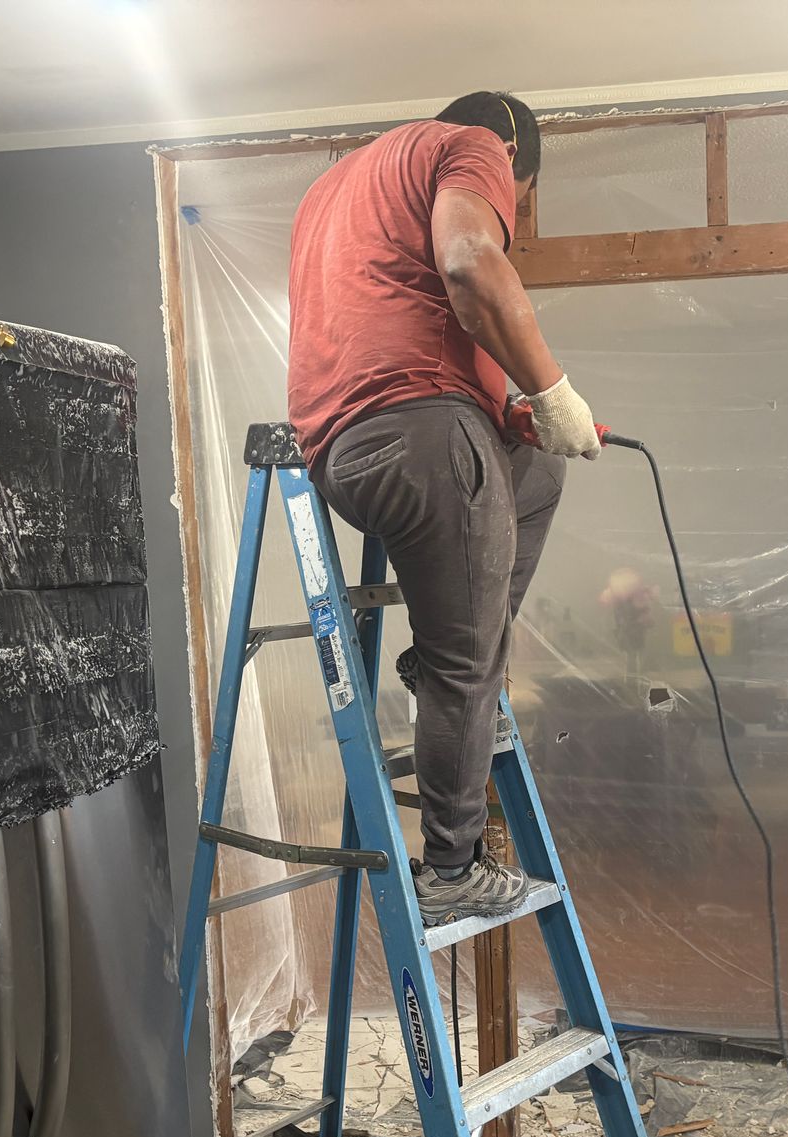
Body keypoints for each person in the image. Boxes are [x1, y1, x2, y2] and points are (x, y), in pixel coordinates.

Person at [287, 91, 603, 926]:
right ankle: (452, 869)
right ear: (510, 154)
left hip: (343, 451)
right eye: (518, 200)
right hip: (423, 436)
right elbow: (468, 263)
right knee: (467, 667)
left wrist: (510, 411)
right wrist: (551, 387)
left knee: (535, 469)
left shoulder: (335, 188)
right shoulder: (475, 145)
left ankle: (445, 672)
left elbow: (397, 309)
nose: (511, 212)